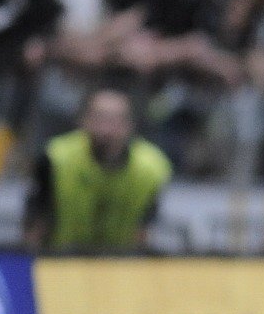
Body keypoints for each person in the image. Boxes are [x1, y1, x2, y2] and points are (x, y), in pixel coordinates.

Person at [22, 86, 172, 252]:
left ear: (129, 125)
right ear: (83, 121)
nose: (106, 129)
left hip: (121, 264)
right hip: (61, 261)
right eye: (99, 118)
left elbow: (144, 230)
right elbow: (36, 223)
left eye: (114, 120)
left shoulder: (151, 168)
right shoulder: (56, 158)